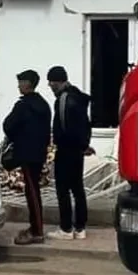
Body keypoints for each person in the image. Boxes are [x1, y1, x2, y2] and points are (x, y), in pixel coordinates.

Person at [2, 69, 52, 246]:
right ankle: (35, 227)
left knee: (32, 192)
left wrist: (17, 137)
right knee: (33, 191)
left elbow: (8, 125)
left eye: (20, 82)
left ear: (27, 84)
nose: (18, 86)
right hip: (38, 154)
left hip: (26, 154)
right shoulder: (44, 105)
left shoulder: (23, 106)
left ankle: (37, 231)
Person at [46, 65, 93, 240]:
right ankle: (80, 228)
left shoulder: (64, 99)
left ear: (59, 81)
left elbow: (65, 127)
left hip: (66, 150)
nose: (50, 86)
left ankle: (66, 228)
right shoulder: (78, 97)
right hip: (77, 151)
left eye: (52, 82)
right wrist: (84, 145)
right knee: (78, 189)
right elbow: (85, 125)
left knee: (63, 189)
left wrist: (60, 142)